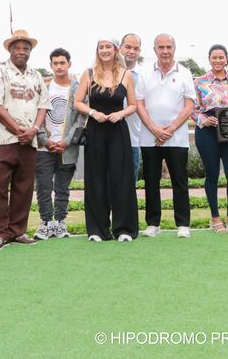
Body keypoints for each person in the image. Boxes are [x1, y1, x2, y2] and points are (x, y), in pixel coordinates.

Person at [0, 30, 48, 251]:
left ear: (30, 52)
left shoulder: (36, 75)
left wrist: (34, 130)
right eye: (17, 48)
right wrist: (18, 129)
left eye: (25, 48)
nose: (21, 52)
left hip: (29, 140)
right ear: (10, 50)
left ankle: (18, 231)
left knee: (24, 186)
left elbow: (43, 106)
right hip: (3, 139)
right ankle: (1, 233)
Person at [76, 38, 139, 241]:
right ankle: (97, 230)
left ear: (115, 50)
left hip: (118, 130)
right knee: (96, 179)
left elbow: (133, 105)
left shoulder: (126, 74)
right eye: (101, 47)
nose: (104, 50)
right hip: (95, 130)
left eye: (108, 47)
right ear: (97, 50)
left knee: (121, 179)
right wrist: (93, 112)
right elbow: (77, 102)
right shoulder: (88, 73)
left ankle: (124, 229)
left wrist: (121, 114)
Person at [135, 34, 197, 238]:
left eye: (169, 46)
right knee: (151, 181)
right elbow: (139, 104)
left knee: (179, 181)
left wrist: (169, 129)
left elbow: (189, 105)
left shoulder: (185, 73)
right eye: (161, 47)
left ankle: (183, 225)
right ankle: (153, 224)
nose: (165, 51)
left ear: (174, 48)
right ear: (154, 50)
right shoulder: (144, 73)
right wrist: (154, 128)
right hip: (149, 137)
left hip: (176, 138)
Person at [193, 44, 228, 233]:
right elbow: (192, 107)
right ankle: (215, 217)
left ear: (226, 59)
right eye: (214, 57)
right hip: (207, 131)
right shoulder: (199, 81)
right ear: (209, 59)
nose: (217, 60)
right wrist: (204, 120)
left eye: (221, 57)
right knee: (212, 174)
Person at [32, 48, 80, 240]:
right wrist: (45, 139)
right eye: (55, 63)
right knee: (43, 186)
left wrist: (66, 141)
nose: (59, 66)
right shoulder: (43, 87)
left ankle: (60, 222)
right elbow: (37, 115)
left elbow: (80, 119)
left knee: (62, 187)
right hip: (44, 146)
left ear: (69, 63)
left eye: (62, 63)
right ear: (50, 65)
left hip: (67, 147)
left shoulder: (78, 87)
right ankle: (45, 223)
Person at [120, 33, 143, 182]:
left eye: (136, 48)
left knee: (129, 186)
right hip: (108, 137)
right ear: (120, 48)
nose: (132, 51)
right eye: (128, 47)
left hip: (133, 139)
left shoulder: (143, 76)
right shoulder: (104, 74)